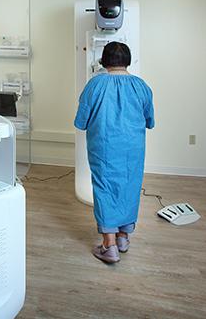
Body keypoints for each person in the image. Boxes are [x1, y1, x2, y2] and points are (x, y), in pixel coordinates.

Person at [74, 42, 155, 264]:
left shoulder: (95, 85)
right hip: (133, 148)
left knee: (105, 188)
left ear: (104, 60)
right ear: (128, 60)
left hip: (104, 146)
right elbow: (150, 121)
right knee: (130, 186)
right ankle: (123, 238)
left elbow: (81, 122)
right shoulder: (141, 86)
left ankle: (109, 245)